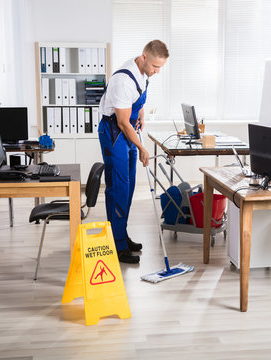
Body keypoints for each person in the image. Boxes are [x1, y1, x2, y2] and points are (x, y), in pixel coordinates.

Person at [98, 40, 169, 264]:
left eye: (161, 68)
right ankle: (117, 246)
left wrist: (141, 113)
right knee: (118, 188)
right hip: (114, 132)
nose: (157, 72)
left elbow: (136, 101)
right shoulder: (123, 80)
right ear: (144, 57)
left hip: (127, 128)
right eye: (155, 67)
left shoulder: (144, 73)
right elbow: (121, 121)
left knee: (127, 188)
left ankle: (121, 236)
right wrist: (141, 147)